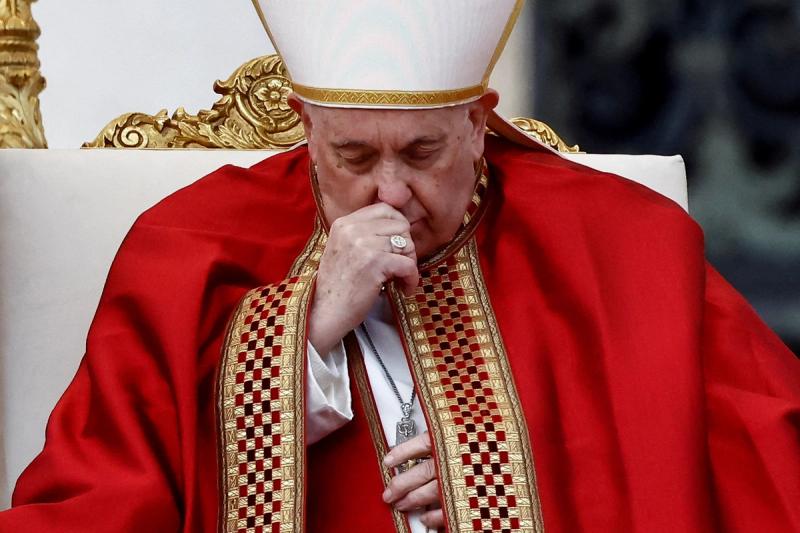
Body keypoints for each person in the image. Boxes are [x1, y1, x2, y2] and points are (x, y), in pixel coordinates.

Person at [2, 0, 799, 532]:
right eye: (352, 154)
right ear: (302, 121)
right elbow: (94, 498)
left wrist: (511, 489)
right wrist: (298, 334)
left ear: (479, 124)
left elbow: (763, 469)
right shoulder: (187, 248)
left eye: (423, 151)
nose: (391, 191)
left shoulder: (626, 246)